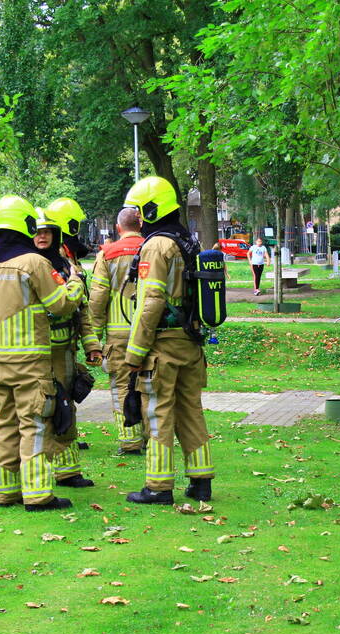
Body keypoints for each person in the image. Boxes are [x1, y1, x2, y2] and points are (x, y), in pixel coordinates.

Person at [0, 195, 86, 512]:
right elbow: (59, 305)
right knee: (34, 425)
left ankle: (5, 492)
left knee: (4, 426)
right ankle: (38, 494)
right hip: (32, 365)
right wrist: (75, 284)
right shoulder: (35, 263)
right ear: (25, 224)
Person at [122, 176, 214, 504]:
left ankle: (158, 488)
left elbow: (150, 302)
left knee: (158, 412)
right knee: (191, 410)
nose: (138, 217)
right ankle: (201, 482)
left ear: (151, 208)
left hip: (162, 346)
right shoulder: (187, 241)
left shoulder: (156, 245)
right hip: (191, 343)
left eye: (140, 210)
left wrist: (134, 354)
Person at [35, 198, 102, 488]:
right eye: (37, 232)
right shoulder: (28, 266)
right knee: (40, 410)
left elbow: (82, 310)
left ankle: (68, 472)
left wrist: (92, 346)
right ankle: (37, 474)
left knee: (66, 408)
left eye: (47, 231)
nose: (42, 236)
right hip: (35, 353)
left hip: (64, 352)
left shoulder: (65, 265)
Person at [88, 207, 145, 456]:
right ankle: (153, 437)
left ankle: (129, 440)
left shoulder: (107, 255)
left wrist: (94, 338)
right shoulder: (153, 248)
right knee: (151, 386)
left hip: (119, 335)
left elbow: (98, 300)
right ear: (140, 226)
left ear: (118, 228)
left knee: (122, 385)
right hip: (152, 332)